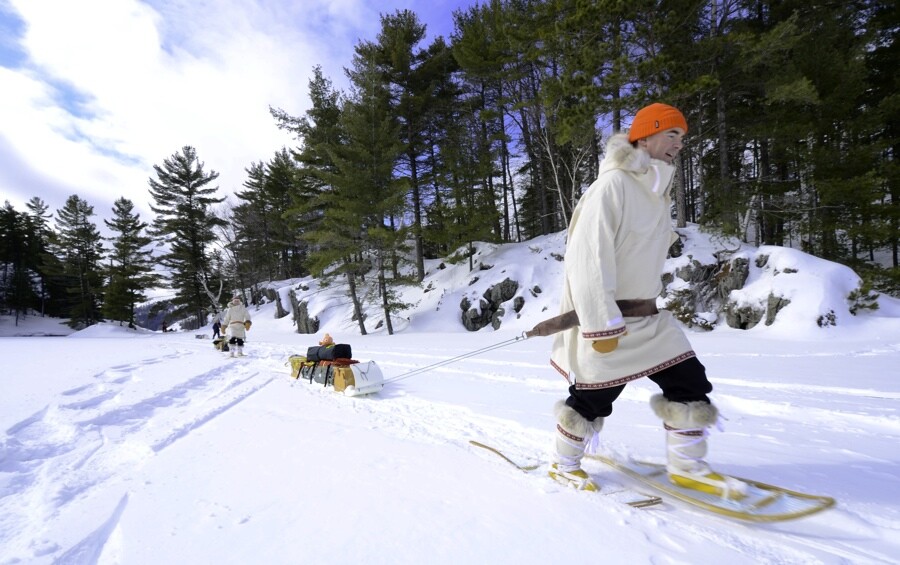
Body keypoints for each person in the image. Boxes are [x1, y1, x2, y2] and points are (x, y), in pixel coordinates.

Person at [548, 102, 744, 498]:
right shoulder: (612, 186)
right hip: (608, 320)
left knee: (688, 380)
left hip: (648, 318)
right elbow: (587, 260)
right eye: (673, 134)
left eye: (682, 138)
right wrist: (600, 324)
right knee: (592, 398)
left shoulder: (656, 192)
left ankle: (688, 466)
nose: (679, 144)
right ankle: (563, 463)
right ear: (647, 134)